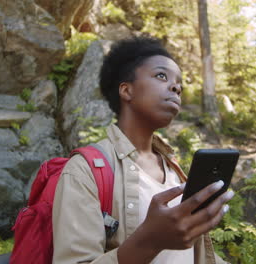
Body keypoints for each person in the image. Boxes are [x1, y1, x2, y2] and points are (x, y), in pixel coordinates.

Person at [52, 36, 234, 264]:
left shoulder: (174, 169)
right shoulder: (84, 171)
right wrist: (150, 241)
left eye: (179, 83)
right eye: (161, 75)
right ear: (126, 91)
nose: (176, 87)